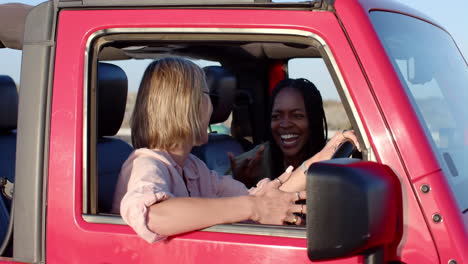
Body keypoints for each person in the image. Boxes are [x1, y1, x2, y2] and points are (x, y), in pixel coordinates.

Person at [112, 57, 308, 244]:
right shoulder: (145, 163)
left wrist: (329, 151)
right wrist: (253, 208)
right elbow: (152, 216)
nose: (214, 109)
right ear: (186, 104)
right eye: (210, 97)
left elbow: (255, 198)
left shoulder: (193, 168)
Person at [229, 78, 359, 188]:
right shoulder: (255, 161)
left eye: (297, 116)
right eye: (276, 116)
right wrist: (240, 184)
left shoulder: (333, 159)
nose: (285, 124)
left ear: (313, 121)